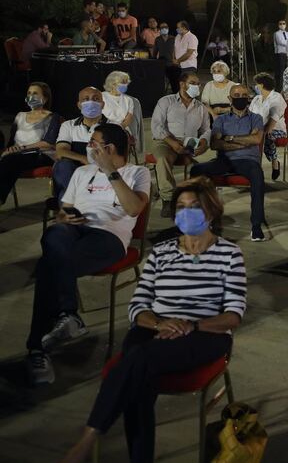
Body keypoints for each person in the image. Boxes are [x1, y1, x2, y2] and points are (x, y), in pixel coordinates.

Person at [60, 177, 244, 462]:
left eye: (194, 206)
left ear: (211, 211)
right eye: (180, 207)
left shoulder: (229, 254)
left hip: (205, 334)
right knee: (140, 373)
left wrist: (190, 326)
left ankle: (88, 438)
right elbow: (138, 305)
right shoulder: (162, 252)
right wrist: (159, 324)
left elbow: (233, 315)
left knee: (137, 361)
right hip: (154, 326)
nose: (186, 212)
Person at [25, 124, 150, 385]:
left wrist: (109, 171)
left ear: (109, 148)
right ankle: (67, 317)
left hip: (109, 237)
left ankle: (39, 345)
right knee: (54, 234)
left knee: (49, 265)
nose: (88, 148)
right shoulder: (82, 172)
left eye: (93, 143)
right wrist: (65, 217)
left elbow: (134, 208)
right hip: (75, 231)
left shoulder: (137, 173)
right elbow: (64, 208)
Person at [191, 85, 267, 241]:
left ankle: (256, 226)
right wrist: (244, 141)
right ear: (230, 99)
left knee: (258, 176)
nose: (241, 97)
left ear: (249, 98)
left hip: (248, 161)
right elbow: (215, 144)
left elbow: (256, 140)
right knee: (196, 171)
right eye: (237, 95)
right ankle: (203, 219)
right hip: (224, 161)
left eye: (244, 95)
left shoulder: (256, 118)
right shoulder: (221, 119)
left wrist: (228, 138)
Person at [150, 72, 211, 217]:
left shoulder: (201, 107)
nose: (197, 86)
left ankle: (193, 201)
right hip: (166, 141)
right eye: (193, 83)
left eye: (198, 84)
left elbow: (206, 129)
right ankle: (167, 199)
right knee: (163, 159)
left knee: (201, 169)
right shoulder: (166, 101)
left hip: (190, 143)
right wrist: (172, 142)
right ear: (182, 84)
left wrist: (203, 142)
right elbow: (156, 126)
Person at [0, 82, 59, 205]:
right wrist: (8, 150)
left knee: (11, 161)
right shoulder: (20, 116)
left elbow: (49, 142)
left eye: (35, 93)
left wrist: (22, 148)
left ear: (45, 98)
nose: (31, 96)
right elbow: (12, 140)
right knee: (9, 159)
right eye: (29, 93)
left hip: (41, 154)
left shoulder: (53, 117)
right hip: (17, 154)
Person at [53, 87, 107, 202]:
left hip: (101, 172)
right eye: (86, 99)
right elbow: (60, 151)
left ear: (102, 104)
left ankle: (75, 203)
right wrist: (84, 159)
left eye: (96, 99)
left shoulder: (113, 127)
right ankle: (81, 199)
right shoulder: (68, 125)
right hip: (72, 173)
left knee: (64, 194)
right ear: (79, 105)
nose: (91, 102)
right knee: (63, 165)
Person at [249, 72, 287, 180]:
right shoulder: (256, 99)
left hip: (275, 129)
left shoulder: (277, 98)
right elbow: (249, 115)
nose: (255, 86)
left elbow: (273, 119)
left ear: (261, 85)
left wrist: (263, 131)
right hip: (257, 128)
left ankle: (274, 163)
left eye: (256, 84)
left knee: (266, 137)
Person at [154, 21, 179, 93]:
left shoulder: (173, 38)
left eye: (165, 27)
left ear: (168, 28)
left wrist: (177, 61)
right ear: (159, 29)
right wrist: (154, 60)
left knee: (174, 82)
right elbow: (155, 52)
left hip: (172, 63)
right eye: (162, 27)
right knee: (160, 82)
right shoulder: (157, 39)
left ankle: (176, 95)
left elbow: (178, 50)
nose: (164, 29)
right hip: (161, 63)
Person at [274, 20, 288, 89]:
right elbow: (281, 42)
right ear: (278, 25)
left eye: (283, 23)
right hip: (280, 54)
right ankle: (278, 87)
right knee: (280, 72)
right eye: (280, 24)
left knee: (286, 71)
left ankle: (285, 87)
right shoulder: (276, 33)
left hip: (287, 54)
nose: (282, 25)